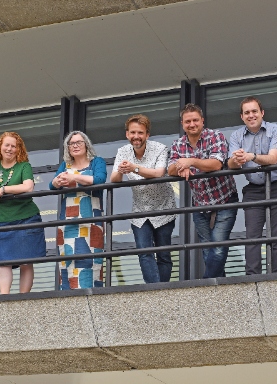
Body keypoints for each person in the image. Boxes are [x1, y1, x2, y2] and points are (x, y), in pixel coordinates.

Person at [169, 104, 238, 279]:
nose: (192, 124)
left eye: (195, 120)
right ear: (182, 123)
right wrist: (180, 168)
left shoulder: (216, 136)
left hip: (224, 199)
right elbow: (170, 169)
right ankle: (219, 288)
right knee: (208, 252)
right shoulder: (177, 144)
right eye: (188, 121)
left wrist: (190, 161)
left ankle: (206, 286)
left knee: (218, 248)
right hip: (199, 204)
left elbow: (216, 163)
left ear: (202, 121)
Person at [0, 132, 45, 294]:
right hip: (1, 220)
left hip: (26, 218)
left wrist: (4, 189)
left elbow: (28, 186)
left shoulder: (24, 166)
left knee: (26, 261)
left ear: (18, 149)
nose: (9, 149)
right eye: (6, 145)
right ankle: (4, 297)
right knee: (4, 261)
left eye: (14, 146)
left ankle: (23, 297)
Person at [228, 96, 277, 275]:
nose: (251, 115)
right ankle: (252, 277)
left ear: (262, 113)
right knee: (252, 236)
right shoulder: (236, 136)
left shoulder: (275, 130)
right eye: (246, 112)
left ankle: (275, 275)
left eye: (254, 111)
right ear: (242, 117)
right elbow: (231, 165)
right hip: (253, 188)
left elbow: (272, 159)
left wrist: (251, 156)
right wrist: (236, 159)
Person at [111, 114, 177, 283]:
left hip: (164, 208)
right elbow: (114, 179)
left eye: (140, 133)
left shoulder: (160, 148)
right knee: (144, 252)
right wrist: (121, 170)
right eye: (132, 132)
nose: (136, 136)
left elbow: (159, 173)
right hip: (140, 211)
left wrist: (134, 168)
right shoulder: (122, 151)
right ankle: (154, 290)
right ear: (127, 134)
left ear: (147, 135)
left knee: (163, 255)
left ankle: (162, 290)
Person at [50, 131, 107, 289]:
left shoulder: (97, 162)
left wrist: (74, 178)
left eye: (78, 142)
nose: (75, 146)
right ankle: (69, 296)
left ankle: (90, 294)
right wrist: (57, 181)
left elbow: (99, 179)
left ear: (86, 144)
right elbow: (51, 185)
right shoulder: (64, 165)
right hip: (68, 222)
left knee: (91, 259)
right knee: (67, 259)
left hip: (90, 220)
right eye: (71, 143)